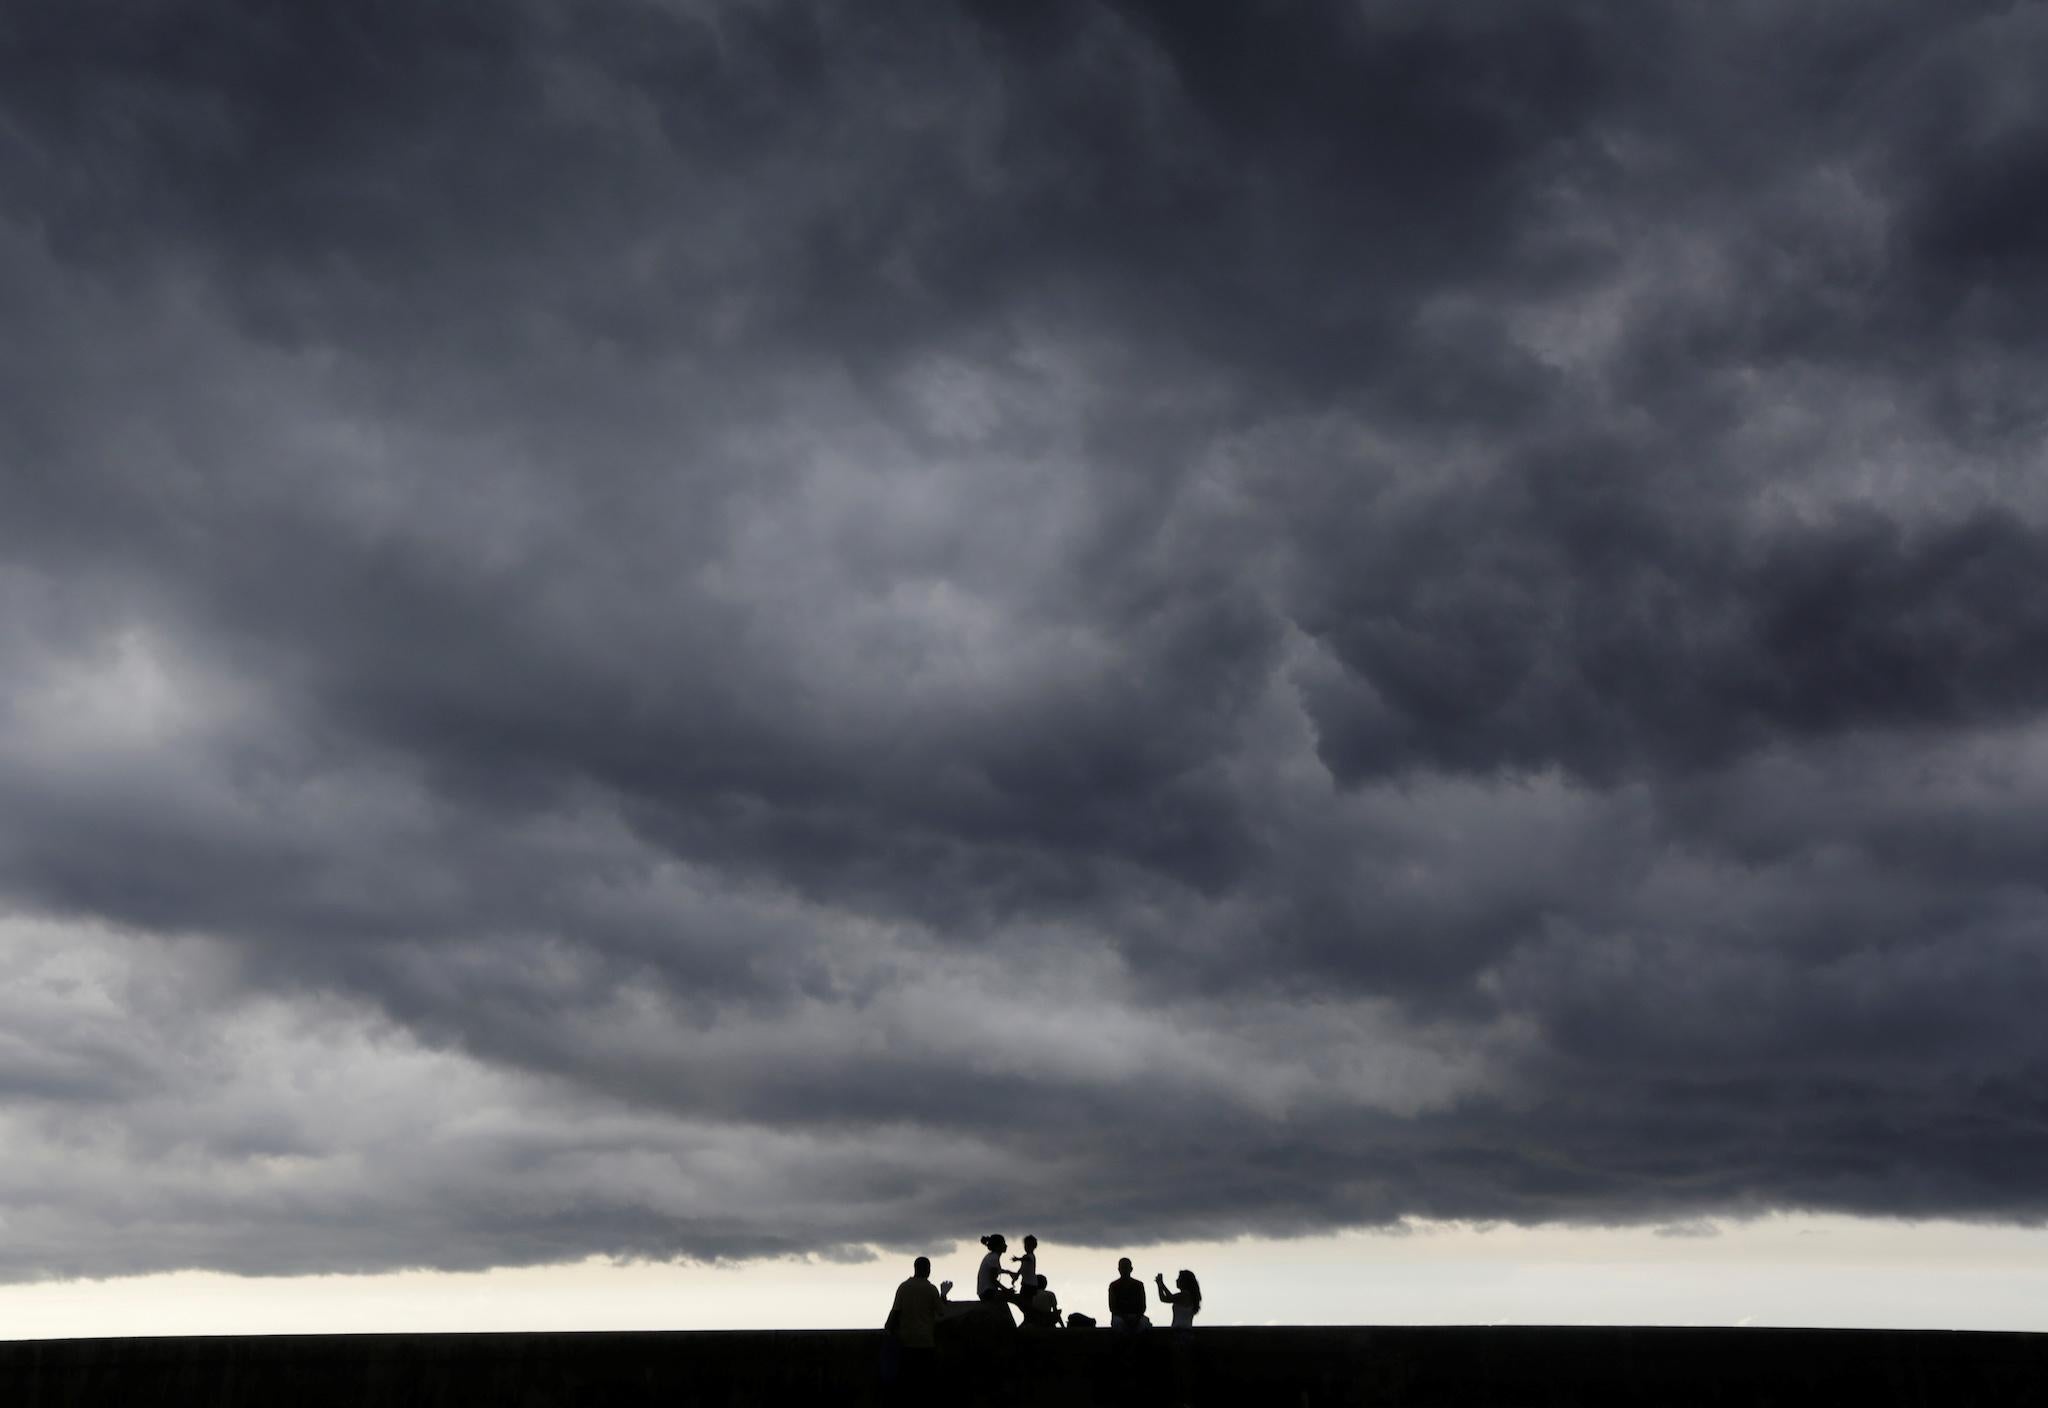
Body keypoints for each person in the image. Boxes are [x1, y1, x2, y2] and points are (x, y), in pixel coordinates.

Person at [884, 1256, 943, 1401]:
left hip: (907, 1342)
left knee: (907, 1385)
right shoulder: (931, 1289)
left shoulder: (903, 1287)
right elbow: (941, 1312)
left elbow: (895, 1312)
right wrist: (944, 1296)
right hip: (926, 1342)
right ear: (928, 1270)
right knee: (925, 1385)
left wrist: (888, 1329)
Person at [1108, 1256, 1147, 1330]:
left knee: (1144, 1324)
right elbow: (1112, 1308)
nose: (1124, 1270)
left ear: (1131, 1269)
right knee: (1119, 1324)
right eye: (1123, 1268)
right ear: (1119, 1269)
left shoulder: (1139, 1285)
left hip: (1136, 1317)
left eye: (1126, 1267)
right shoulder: (1113, 1286)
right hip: (1119, 1317)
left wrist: (1136, 1318)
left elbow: (1142, 1307)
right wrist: (1125, 1318)